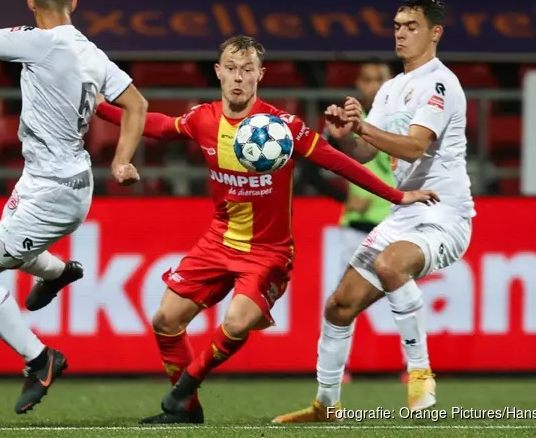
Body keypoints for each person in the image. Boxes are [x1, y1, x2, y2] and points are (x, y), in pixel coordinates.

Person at [76, 35, 438, 424]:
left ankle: (186, 385)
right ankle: (188, 411)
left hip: (269, 251)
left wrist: (396, 196)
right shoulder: (204, 119)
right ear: (218, 72)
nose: (238, 78)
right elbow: (159, 125)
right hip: (218, 241)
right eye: (231, 69)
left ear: (259, 75)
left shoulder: (284, 128)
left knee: (235, 322)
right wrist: (103, 109)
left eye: (247, 71)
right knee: (165, 320)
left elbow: (337, 162)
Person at [0, 0, 148, 414]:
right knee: (3, 248)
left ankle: (40, 358)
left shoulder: (38, 41)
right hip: (48, 180)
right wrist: (122, 159)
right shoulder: (92, 52)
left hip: (54, 191)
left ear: (30, 4)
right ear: (74, 4)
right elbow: (137, 104)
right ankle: (58, 273)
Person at [273, 0, 474, 424]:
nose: (401, 33)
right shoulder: (390, 89)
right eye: (397, 25)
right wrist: (345, 135)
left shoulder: (440, 84)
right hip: (404, 214)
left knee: (389, 265)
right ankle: (326, 406)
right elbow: (366, 154)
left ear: (435, 32)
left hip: (444, 215)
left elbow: (416, 144)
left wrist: (363, 124)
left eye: (411, 26)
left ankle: (420, 374)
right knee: (339, 307)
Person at [299, 60, 399, 384]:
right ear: (359, 83)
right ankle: (339, 369)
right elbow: (310, 169)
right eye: (367, 79)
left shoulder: (402, 122)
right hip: (354, 226)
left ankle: (413, 368)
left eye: (379, 78)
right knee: (340, 301)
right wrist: (344, 198)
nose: (373, 85)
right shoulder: (344, 123)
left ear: (391, 82)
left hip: (393, 224)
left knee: (401, 299)